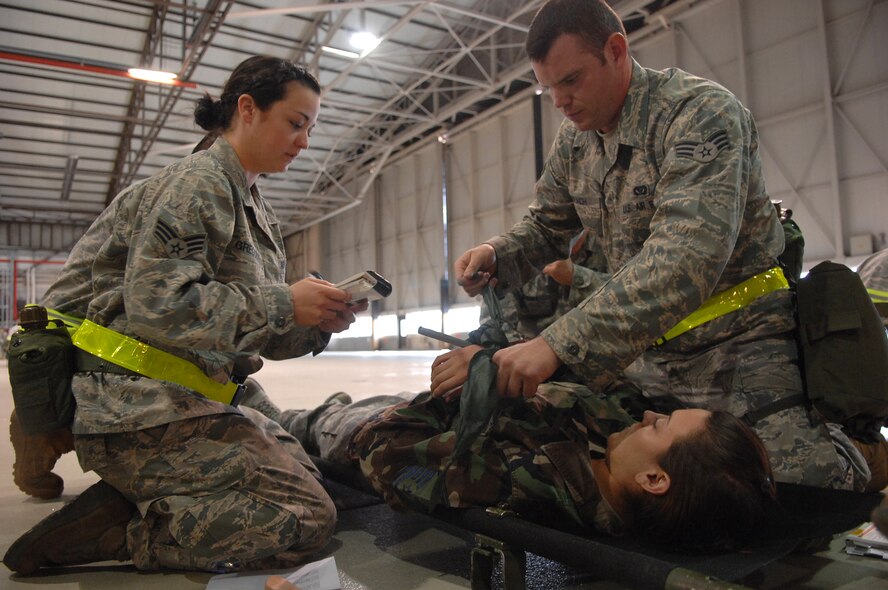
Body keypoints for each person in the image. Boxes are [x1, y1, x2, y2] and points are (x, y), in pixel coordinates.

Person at [453, 0, 879, 492]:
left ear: (616, 51)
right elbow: (546, 226)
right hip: (643, 356)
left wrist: (556, 343)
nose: (560, 102)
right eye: (548, 88)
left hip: (735, 345)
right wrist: (497, 253)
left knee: (797, 486)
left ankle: (859, 441)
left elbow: (686, 258)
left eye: (571, 80)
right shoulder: (575, 142)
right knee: (552, 460)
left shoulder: (698, 114)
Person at [4, 55, 367, 576]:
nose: (304, 141)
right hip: (133, 402)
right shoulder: (197, 185)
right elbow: (159, 307)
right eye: (295, 123)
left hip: (194, 389)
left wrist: (316, 323)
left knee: (309, 475)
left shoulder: (254, 207)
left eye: (310, 128)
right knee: (306, 516)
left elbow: (252, 334)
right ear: (247, 109)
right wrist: (287, 301)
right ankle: (126, 531)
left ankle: (138, 498)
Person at [246, 379, 777, 552]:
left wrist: (481, 379)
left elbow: (384, 451)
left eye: (662, 426)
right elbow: (609, 390)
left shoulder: (522, 480)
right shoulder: (617, 456)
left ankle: (266, 415)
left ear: (654, 479)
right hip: (430, 408)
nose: (651, 416)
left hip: (378, 428)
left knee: (320, 421)